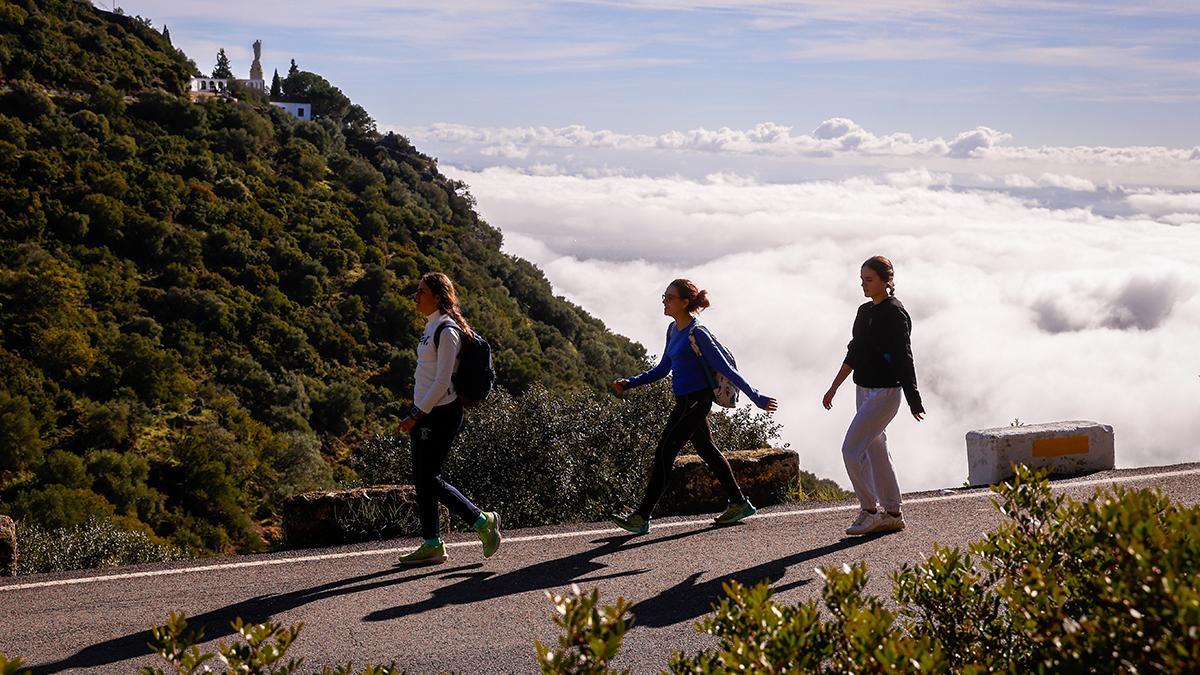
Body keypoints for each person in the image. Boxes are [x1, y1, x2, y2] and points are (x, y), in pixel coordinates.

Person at [609, 279, 779, 535]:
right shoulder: (673, 330)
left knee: (665, 451)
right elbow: (663, 368)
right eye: (664, 297)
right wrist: (630, 383)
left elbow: (726, 368)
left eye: (670, 297)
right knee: (707, 450)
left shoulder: (697, 333)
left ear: (685, 302)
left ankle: (642, 516)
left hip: (697, 399)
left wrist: (756, 397)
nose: (665, 302)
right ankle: (740, 503)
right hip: (684, 399)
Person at [395, 272, 501, 564]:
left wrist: (415, 415)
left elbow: (442, 382)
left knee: (430, 478)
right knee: (422, 478)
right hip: (426, 411)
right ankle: (432, 543)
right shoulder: (431, 327)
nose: (416, 296)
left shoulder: (447, 330)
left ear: (438, 297)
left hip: (440, 413)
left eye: (421, 292)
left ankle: (482, 521)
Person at [822, 256, 924, 536]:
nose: (863, 285)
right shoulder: (864, 312)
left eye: (869, 280)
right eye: (862, 280)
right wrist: (834, 386)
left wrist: (914, 400)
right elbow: (854, 352)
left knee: (851, 450)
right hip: (863, 390)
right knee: (876, 451)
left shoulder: (895, 313)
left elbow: (905, 357)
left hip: (886, 393)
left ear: (886, 281)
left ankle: (869, 510)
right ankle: (892, 513)